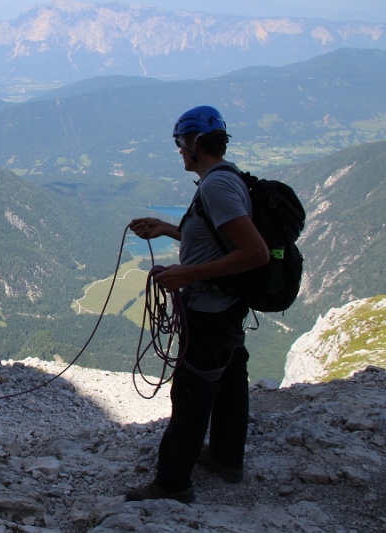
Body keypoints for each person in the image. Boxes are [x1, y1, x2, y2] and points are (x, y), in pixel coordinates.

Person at [125, 106, 270, 503]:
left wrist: (187, 275)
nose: (179, 152)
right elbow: (214, 239)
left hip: (209, 309)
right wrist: (169, 228)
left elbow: (255, 252)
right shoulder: (225, 178)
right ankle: (226, 458)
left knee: (191, 392)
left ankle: (172, 484)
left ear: (194, 143)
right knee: (229, 379)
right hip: (226, 304)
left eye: (179, 143)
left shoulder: (215, 187)